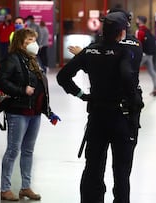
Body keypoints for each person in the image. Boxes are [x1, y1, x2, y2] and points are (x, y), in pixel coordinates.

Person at [57, 12, 143, 203]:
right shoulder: (125, 51)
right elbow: (127, 76)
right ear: (121, 33)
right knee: (121, 170)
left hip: (97, 115)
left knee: (93, 166)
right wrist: (134, 101)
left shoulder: (90, 51)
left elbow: (62, 76)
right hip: (121, 115)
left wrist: (82, 96)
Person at [0, 28, 60, 201]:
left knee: (28, 151)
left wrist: (48, 111)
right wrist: (21, 90)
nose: (34, 43)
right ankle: (5, 189)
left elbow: (40, 88)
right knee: (13, 150)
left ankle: (26, 187)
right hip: (17, 112)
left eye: (34, 40)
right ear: (20, 42)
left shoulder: (33, 60)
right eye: (30, 40)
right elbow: (1, 81)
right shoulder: (11, 59)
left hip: (34, 113)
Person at [135, 15, 156, 96]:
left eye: (137, 20)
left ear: (140, 21)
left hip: (142, 54)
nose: (136, 21)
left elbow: (137, 44)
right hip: (149, 54)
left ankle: (133, 89)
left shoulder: (139, 31)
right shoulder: (148, 30)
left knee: (134, 70)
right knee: (152, 72)